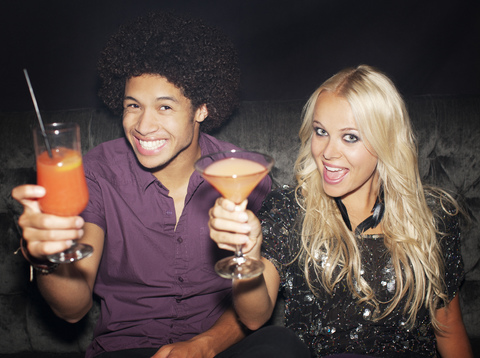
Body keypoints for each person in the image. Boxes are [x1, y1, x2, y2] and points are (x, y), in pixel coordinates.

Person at [12, 12, 271, 358]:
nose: (143, 125)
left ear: (202, 109)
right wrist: (44, 258)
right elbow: (72, 309)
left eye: (165, 106)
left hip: (218, 348)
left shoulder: (241, 174)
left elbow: (255, 305)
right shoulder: (98, 173)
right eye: (133, 106)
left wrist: (205, 346)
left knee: (282, 346)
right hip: (125, 349)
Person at [209, 65, 473, 357]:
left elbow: (448, 328)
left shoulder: (433, 217)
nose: (327, 153)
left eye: (350, 137)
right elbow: (254, 317)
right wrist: (247, 254)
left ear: (386, 141)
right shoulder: (290, 209)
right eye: (321, 132)